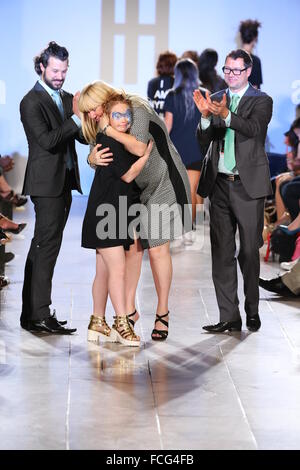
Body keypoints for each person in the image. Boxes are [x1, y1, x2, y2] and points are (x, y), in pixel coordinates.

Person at [78, 81, 192, 341]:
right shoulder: (103, 121)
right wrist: (90, 158)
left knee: (157, 248)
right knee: (132, 247)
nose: (93, 116)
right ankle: (128, 310)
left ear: (105, 100)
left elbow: (139, 146)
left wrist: (107, 129)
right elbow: (102, 157)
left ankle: (162, 312)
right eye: (89, 113)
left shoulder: (135, 108)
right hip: (132, 188)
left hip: (163, 180)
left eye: (94, 108)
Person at [193, 49, 273, 333]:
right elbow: (205, 140)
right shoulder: (215, 98)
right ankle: (229, 315)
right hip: (220, 184)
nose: (230, 75)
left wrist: (226, 114)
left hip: (248, 185)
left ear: (248, 71)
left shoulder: (261, 100)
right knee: (222, 251)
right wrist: (205, 117)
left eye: (236, 70)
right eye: (227, 70)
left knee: (250, 251)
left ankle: (252, 308)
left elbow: (253, 129)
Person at [19, 41, 92, 334]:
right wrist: (76, 117)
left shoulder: (64, 97)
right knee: (46, 247)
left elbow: (79, 137)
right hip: (45, 184)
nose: (61, 75)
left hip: (62, 182)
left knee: (43, 247)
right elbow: (47, 141)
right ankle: (39, 314)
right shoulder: (31, 101)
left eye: (64, 70)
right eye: (55, 70)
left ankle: (32, 313)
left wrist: (88, 121)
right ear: (42, 67)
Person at [82, 92, 153, 346]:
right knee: (117, 269)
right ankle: (122, 323)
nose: (123, 119)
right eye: (117, 115)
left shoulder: (112, 138)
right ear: (107, 118)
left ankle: (97, 322)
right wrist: (145, 157)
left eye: (127, 115)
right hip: (107, 214)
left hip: (110, 211)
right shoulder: (110, 141)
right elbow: (127, 175)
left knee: (103, 271)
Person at [164, 58, 203, 223]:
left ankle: (186, 225)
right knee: (194, 190)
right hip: (197, 149)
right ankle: (195, 225)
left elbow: (168, 125)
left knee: (181, 190)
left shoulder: (172, 95)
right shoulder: (204, 95)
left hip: (177, 150)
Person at [147, 50, 177, 118]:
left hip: (155, 123)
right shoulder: (176, 83)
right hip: (171, 124)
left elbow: (151, 104)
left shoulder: (151, 83)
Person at [239, 19, 263, 89]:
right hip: (250, 99)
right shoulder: (255, 61)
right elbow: (255, 89)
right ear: (255, 38)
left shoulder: (232, 59)